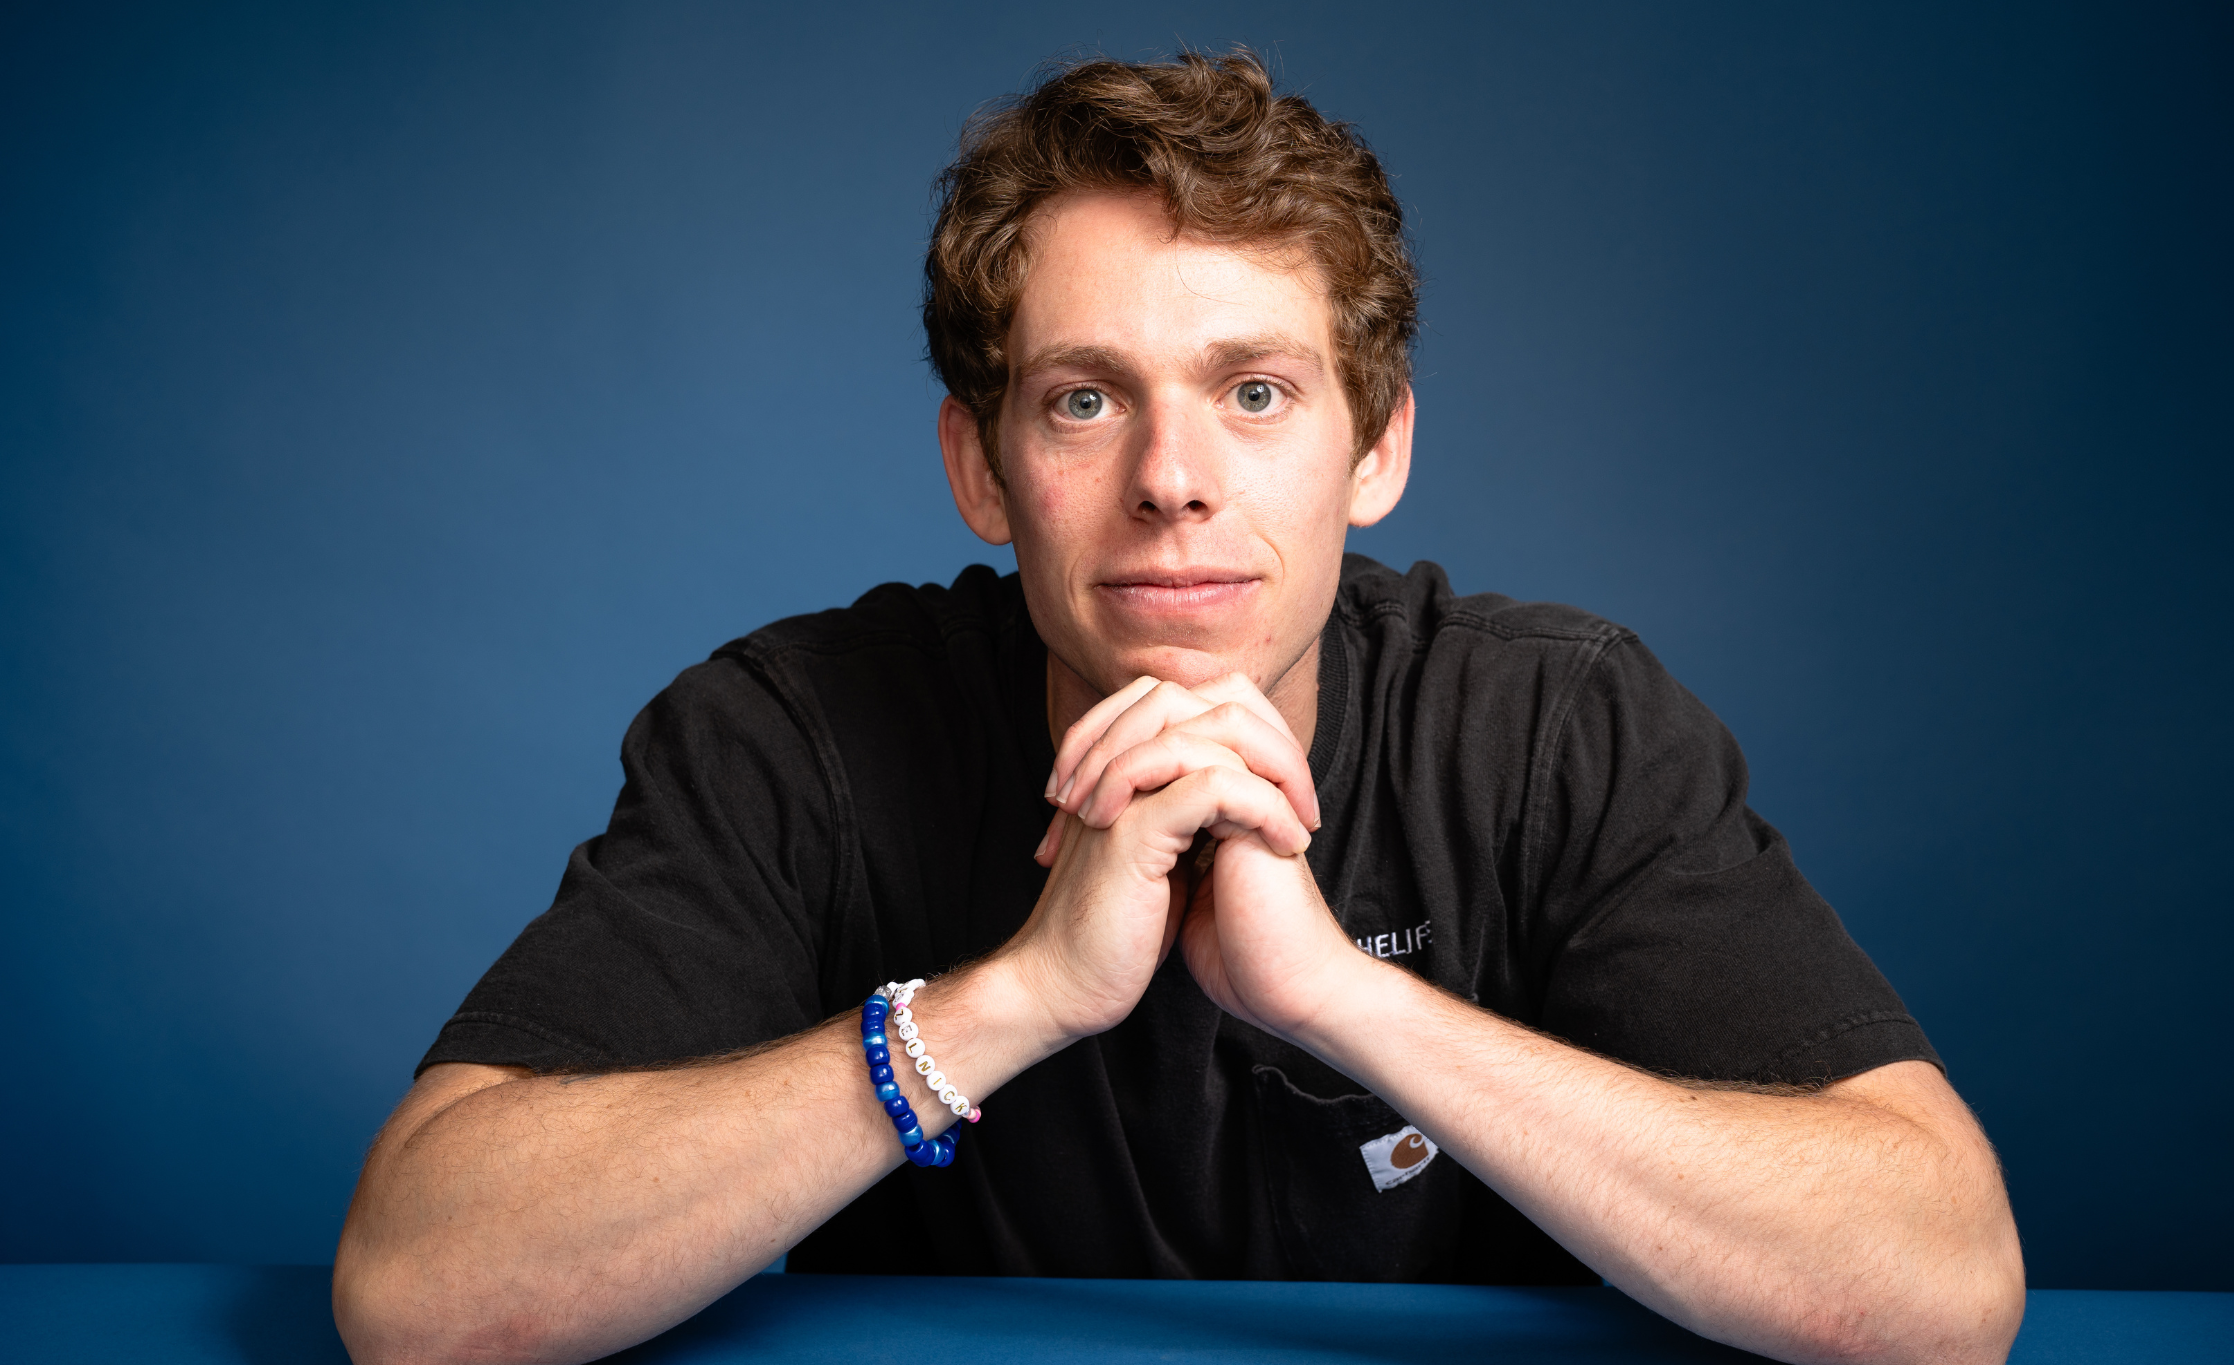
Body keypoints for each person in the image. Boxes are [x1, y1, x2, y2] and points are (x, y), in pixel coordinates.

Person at [333, 51, 2024, 1365]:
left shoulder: (1553, 727)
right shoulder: (796, 735)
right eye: (1084, 400)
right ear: (980, 469)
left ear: (1377, 449)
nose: (1171, 481)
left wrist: (1341, 1002)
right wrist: (1007, 1003)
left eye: (1255, 392)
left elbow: (1937, 1292)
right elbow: (419, 1293)